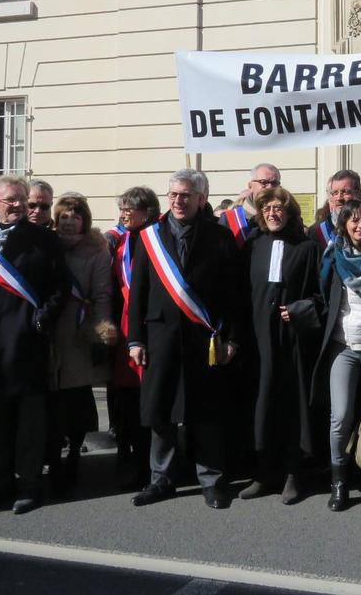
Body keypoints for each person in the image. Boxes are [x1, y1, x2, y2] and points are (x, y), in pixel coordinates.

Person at [127, 169, 243, 509]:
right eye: (174, 194)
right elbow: (139, 294)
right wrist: (135, 339)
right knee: (161, 411)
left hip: (203, 339)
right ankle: (160, 479)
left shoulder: (219, 238)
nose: (179, 200)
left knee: (205, 412)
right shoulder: (149, 237)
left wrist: (232, 337)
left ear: (201, 199)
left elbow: (233, 294)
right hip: (160, 336)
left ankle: (212, 480)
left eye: (186, 195)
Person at [0, 174, 73, 515]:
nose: (19, 205)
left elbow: (61, 287)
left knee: (29, 423)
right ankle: (0, 481)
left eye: (22, 198)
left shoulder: (42, 240)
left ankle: (30, 485)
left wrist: (40, 320)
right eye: (11, 200)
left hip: (26, 342)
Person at [239, 187, 323, 504]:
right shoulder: (251, 246)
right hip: (258, 339)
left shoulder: (307, 247)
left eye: (279, 208)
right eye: (268, 208)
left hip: (293, 341)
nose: (273, 213)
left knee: (292, 404)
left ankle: (293, 473)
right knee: (262, 405)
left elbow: (321, 294)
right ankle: (264, 473)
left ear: (289, 213)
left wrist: (300, 309)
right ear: (261, 213)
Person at [312, 197, 361, 511]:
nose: (360, 226)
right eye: (353, 220)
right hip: (342, 346)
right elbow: (321, 293)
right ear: (344, 223)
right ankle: (340, 482)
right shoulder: (334, 254)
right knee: (340, 417)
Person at [47, 194, 116, 496]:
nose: (70, 222)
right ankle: (52, 457)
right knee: (50, 400)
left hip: (78, 332)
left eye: (75, 217)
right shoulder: (46, 246)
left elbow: (102, 294)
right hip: (49, 332)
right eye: (64, 217)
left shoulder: (96, 250)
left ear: (84, 221)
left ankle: (74, 453)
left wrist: (100, 329)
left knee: (76, 399)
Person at [109, 186, 160, 489]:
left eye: (130, 208)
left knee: (148, 399)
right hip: (125, 327)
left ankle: (148, 463)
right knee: (125, 398)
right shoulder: (119, 241)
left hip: (150, 327)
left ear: (148, 212)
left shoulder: (157, 239)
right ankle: (128, 455)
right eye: (122, 207)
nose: (124, 213)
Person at [222, 163, 281, 247]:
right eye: (263, 182)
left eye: (274, 183)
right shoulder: (230, 218)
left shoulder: (286, 217)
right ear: (250, 186)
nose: (270, 187)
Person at [309, 169, 361, 250]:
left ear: (358, 194)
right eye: (335, 193)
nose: (339, 198)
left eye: (345, 192)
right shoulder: (317, 231)